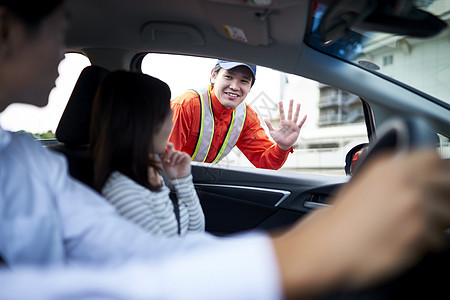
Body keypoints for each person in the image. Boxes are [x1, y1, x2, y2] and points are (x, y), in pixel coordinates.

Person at [0, 1, 450, 299]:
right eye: (58, 32)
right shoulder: (183, 108)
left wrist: (282, 146)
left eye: (245, 80)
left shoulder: (30, 162)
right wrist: (312, 251)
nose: (61, 52)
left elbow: (141, 246)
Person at [90, 71, 205, 236]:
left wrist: (183, 180)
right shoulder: (125, 193)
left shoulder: (148, 172)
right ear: (146, 123)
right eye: (167, 115)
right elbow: (164, 257)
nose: (171, 124)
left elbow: (196, 232)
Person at [169, 59, 307, 169]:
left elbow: (265, 162)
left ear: (250, 87)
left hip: (197, 182)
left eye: (243, 81)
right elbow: (164, 160)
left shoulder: (246, 117)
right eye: (228, 77)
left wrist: (282, 147)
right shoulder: (185, 105)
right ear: (213, 76)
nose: (234, 87)